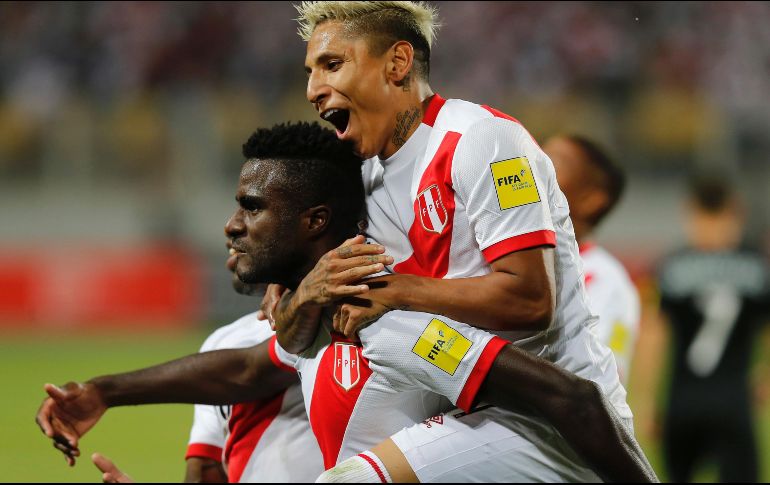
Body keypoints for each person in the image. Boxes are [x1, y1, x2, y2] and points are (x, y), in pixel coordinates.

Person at [36, 122, 655, 482]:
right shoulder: (313, 327)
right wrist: (105, 392)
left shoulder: (395, 325)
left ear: (315, 221)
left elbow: (568, 397)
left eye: (252, 208)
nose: (230, 225)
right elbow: (250, 367)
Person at [272, 1, 652, 482]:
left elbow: (531, 299)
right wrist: (298, 284)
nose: (312, 89)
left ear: (397, 63)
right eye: (309, 71)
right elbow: (291, 332)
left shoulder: (485, 141)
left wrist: (396, 291)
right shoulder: (362, 179)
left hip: (545, 423)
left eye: (332, 64)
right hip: (462, 409)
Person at [655, 177, 770, 482]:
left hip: (682, 400)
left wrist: (652, 401)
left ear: (690, 212)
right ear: (735, 212)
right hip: (734, 400)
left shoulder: (675, 264)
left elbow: (657, 334)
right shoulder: (756, 264)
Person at [542, 134, 640, 384]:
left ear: (592, 200)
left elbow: (593, 380)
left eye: (556, 161)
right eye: (539, 152)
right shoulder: (504, 254)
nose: (537, 163)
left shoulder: (608, 281)